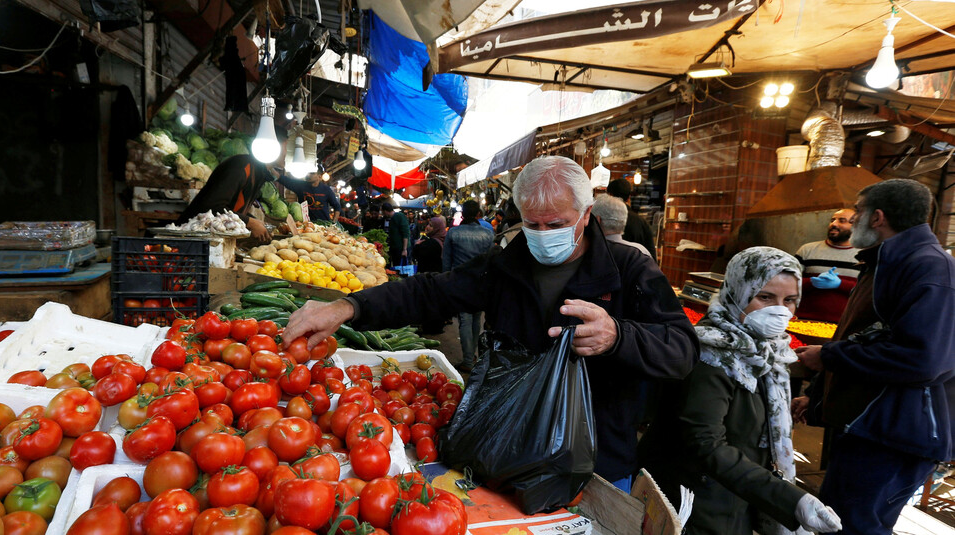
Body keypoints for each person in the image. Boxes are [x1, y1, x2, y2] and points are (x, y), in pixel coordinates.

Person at [282, 156, 699, 488]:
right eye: (531, 224)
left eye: (555, 224)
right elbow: (430, 292)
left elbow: (683, 350)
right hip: (506, 449)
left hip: (597, 464)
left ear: (587, 215)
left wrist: (619, 336)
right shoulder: (507, 264)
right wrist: (347, 308)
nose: (541, 234)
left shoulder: (629, 270)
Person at [638, 247, 842, 535]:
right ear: (737, 293)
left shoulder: (768, 352)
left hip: (733, 499)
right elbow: (706, 443)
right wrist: (790, 500)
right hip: (695, 503)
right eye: (765, 297)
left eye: (790, 300)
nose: (780, 310)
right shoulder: (710, 357)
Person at [794, 179, 955, 535]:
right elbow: (857, 335)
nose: (852, 220)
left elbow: (922, 360)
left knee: (853, 526)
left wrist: (830, 357)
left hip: (896, 432)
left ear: (878, 217)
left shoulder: (930, 268)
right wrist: (818, 395)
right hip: (869, 425)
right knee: (841, 519)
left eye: (858, 212)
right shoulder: (884, 262)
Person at [176, 128, 288, 242]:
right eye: (286, 148)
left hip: (213, 243)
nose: (287, 154)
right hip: (189, 240)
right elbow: (212, 207)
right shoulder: (241, 167)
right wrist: (250, 222)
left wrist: (254, 221)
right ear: (273, 147)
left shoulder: (259, 173)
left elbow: (234, 208)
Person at [442, 200, 495, 371]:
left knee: (464, 320)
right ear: (479, 214)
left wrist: (445, 282)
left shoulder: (453, 233)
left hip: (460, 281)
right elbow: (490, 260)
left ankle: (467, 360)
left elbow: (446, 261)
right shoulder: (488, 233)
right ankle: (471, 356)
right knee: (475, 320)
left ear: (462, 214)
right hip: (482, 282)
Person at [792, 209, 858, 322]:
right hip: (803, 321)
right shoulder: (807, 250)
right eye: (832, 220)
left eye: (842, 221)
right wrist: (811, 282)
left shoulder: (864, 256)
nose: (834, 224)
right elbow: (787, 283)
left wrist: (841, 284)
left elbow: (870, 292)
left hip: (845, 324)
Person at [606, 178, 657, 259]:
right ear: (629, 197)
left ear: (610, 195)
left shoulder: (603, 219)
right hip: (636, 269)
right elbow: (652, 257)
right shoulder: (641, 222)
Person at [414, 215, 448, 335]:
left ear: (437, 228)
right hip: (439, 276)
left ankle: (431, 327)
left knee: (430, 302)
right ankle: (436, 326)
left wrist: (418, 245)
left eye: (431, 225)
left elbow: (416, 254)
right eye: (428, 224)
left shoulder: (432, 243)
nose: (427, 227)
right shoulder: (443, 240)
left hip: (430, 277)